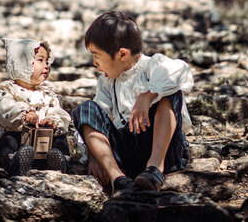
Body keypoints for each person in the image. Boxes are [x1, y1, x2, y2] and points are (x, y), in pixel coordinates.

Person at [72, 10, 193, 196]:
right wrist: (93, 155)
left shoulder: (154, 65)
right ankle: (118, 179)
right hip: (126, 153)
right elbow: (97, 117)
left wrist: (148, 95)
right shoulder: (106, 81)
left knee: (169, 93)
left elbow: (181, 70)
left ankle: (155, 169)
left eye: (97, 56)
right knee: (85, 109)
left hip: (162, 149)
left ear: (122, 54)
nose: (94, 63)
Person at [0, 37, 71, 175]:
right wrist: (24, 113)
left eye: (47, 61)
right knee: (9, 138)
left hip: (43, 140)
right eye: (40, 60)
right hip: (19, 136)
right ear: (22, 63)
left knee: (59, 140)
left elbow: (57, 111)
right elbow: (3, 108)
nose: (46, 65)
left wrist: (52, 121)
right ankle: (15, 161)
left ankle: (58, 159)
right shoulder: (7, 89)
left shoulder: (47, 93)